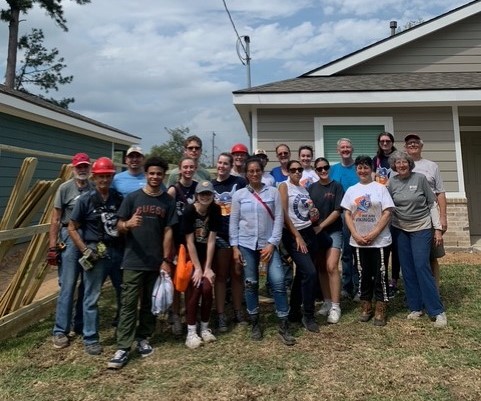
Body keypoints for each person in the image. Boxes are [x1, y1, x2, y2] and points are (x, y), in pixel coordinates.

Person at [108, 156, 177, 369]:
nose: (155, 177)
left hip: (155, 261)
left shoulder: (168, 201)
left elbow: (168, 231)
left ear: (163, 176)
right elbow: (117, 226)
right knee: (128, 303)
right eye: (152, 173)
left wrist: (166, 260)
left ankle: (143, 337)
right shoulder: (132, 198)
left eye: (159, 174)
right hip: (133, 259)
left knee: (149, 302)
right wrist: (128, 223)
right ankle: (123, 346)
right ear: (146, 174)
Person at [230, 157, 295, 346]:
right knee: (251, 283)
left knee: (278, 281)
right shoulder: (239, 195)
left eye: (257, 170)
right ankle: (255, 322)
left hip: (268, 244)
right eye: (250, 171)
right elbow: (234, 223)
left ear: (261, 172)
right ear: (246, 174)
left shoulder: (273, 192)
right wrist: (235, 247)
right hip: (246, 244)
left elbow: (278, 219)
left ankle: (284, 323)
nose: (254, 174)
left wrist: (272, 243)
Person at [68, 157, 123, 355]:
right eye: (101, 176)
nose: (105, 180)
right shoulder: (85, 200)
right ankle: (91, 337)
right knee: (91, 297)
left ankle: (122, 332)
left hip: (117, 251)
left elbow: (123, 224)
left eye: (108, 176)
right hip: (95, 252)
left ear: (112, 176)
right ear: (94, 177)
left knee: (123, 292)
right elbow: (72, 228)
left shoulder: (118, 198)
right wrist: (84, 249)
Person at [387, 151, 447, 328]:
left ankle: (437, 310)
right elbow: (387, 205)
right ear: (394, 166)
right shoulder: (392, 182)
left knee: (421, 265)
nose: (401, 165)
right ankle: (415, 307)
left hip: (421, 227)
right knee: (407, 268)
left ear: (409, 163)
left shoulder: (420, 178)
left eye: (404, 162)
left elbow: (432, 203)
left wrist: (437, 229)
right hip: (400, 229)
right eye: (398, 163)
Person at [341, 155, 394, 326]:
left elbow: (387, 212)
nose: (363, 171)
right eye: (360, 168)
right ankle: (366, 305)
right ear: (356, 170)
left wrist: (375, 233)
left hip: (379, 241)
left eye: (366, 167)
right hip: (358, 241)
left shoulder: (380, 188)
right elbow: (347, 213)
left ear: (371, 169)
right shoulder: (351, 190)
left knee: (380, 274)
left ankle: (380, 307)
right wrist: (355, 234)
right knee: (363, 274)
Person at [50, 152, 93, 349]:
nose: (82, 169)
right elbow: (56, 218)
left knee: (87, 283)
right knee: (67, 285)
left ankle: (81, 324)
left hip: (89, 236)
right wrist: (52, 246)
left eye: (85, 166)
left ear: (89, 168)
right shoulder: (65, 188)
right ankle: (60, 330)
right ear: (73, 168)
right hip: (69, 234)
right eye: (79, 166)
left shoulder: (94, 188)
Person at [279, 160, 320, 332]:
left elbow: (306, 212)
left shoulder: (303, 188)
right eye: (293, 170)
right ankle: (308, 315)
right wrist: (296, 236)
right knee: (310, 272)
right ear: (288, 171)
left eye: (299, 169)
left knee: (302, 273)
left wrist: (314, 213)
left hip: (308, 232)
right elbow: (283, 213)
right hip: (293, 235)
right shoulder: (284, 186)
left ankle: (294, 310)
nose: (297, 172)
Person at [404, 133, 447, 288]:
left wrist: (442, 217)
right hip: (407, 219)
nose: (413, 145)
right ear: (405, 148)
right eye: (409, 143)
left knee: (431, 256)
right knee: (413, 257)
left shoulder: (431, 166)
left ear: (421, 146)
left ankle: (433, 289)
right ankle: (416, 288)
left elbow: (440, 192)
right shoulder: (399, 166)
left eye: (416, 142)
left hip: (431, 216)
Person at [212, 153, 247, 332]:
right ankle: (220, 314)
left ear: (231, 165)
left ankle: (238, 310)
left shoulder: (239, 183)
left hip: (238, 235)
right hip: (218, 236)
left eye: (226, 163)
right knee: (220, 275)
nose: (222, 166)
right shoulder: (210, 186)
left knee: (237, 274)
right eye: (220, 163)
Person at [183, 180, 220, 349]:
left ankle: (205, 328)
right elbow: (189, 242)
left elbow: (211, 240)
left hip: (207, 255)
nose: (205, 197)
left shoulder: (215, 210)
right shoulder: (189, 211)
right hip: (191, 255)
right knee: (195, 287)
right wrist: (197, 268)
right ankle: (191, 332)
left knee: (206, 287)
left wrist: (207, 268)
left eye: (208, 194)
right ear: (196, 196)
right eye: (202, 194)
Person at [308, 157, 344, 324]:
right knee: (321, 267)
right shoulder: (311, 188)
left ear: (329, 168)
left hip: (333, 231)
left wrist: (321, 226)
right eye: (319, 169)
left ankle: (336, 306)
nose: (323, 171)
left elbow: (338, 211)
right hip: (316, 233)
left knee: (331, 266)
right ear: (315, 171)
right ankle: (327, 301)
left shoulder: (336, 186)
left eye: (325, 167)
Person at [166, 157, 198, 336]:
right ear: (179, 169)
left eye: (191, 167)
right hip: (178, 242)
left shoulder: (198, 188)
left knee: (192, 279)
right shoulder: (173, 190)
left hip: (194, 240)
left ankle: (190, 313)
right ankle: (176, 315)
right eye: (185, 167)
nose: (188, 170)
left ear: (195, 168)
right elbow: (168, 220)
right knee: (177, 280)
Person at [329, 138, 360, 300]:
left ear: (352, 149)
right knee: (346, 252)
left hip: (359, 215)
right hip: (340, 215)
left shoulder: (358, 168)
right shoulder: (333, 170)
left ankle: (360, 285)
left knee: (358, 251)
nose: (345, 149)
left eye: (348, 147)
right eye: (342, 147)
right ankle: (347, 286)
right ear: (338, 151)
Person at [372, 132, 400, 295]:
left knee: (396, 245)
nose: (385, 143)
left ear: (392, 142)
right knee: (384, 245)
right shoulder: (375, 160)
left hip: (397, 204)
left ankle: (394, 280)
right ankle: (382, 278)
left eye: (387, 141)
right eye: (382, 141)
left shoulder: (398, 157)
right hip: (381, 205)